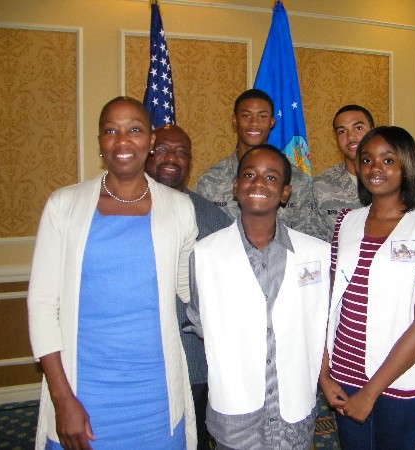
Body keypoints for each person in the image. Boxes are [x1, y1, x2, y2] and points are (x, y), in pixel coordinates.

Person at [27, 97, 197, 450]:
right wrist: (62, 400)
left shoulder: (179, 208)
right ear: (101, 142)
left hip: (156, 393)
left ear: (150, 140)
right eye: (111, 131)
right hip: (84, 389)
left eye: (134, 129)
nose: (122, 140)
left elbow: (190, 287)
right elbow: (42, 304)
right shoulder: (64, 205)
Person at [186, 145, 331, 449]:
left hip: (293, 410)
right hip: (237, 413)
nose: (259, 183)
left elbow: (320, 323)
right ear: (236, 187)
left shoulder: (316, 254)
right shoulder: (205, 254)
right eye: (249, 174)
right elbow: (201, 320)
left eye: (271, 177)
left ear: (285, 192)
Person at [319, 126, 415, 450]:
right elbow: (330, 305)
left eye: (388, 159)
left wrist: (371, 391)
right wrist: (324, 373)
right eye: (367, 159)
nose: (375, 168)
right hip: (344, 372)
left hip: (397, 377)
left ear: (406, 166)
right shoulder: (346, 222)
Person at [146, 124, 232, 450]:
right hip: (141, 360)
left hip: (194, 361)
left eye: (182, 152)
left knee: (192, 440)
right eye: (163, 149)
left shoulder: (211, 217)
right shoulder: (124, 212)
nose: (172, 158)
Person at [194, 88, 327, 240]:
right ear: (234, 120)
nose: (254, 123)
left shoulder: (297, 180)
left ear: (272, 122)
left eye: (262, 116)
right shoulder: (209, 180)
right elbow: (202, 237)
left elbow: (306, 237)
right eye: (246, 116)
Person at [313, 104, 374, 238]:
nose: (351, 137)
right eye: (342, 131)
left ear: (372, 131)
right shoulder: (320, 187)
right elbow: (310, 244)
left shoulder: (396, 181)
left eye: (358, 128)